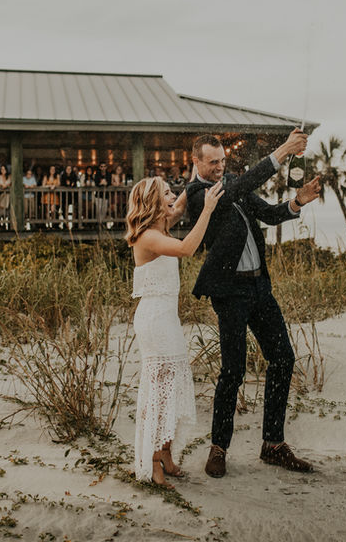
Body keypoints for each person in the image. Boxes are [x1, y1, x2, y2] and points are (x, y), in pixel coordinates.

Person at [185, 129, 322, 478]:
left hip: (260, 287)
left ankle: (273, 445)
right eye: (213, 162)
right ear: (196, 161)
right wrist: (282, 152)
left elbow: (272, 214)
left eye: (223, 161)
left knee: (283, 358)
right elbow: (235, 190)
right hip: (229, 294)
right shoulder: (197, 195)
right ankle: (219, 447)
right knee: (233, 370)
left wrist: (298, 201)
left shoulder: (233, 182)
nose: (219, 167)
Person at [126, 175, 224, 487]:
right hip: (154, 320)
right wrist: (207, 210)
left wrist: (197, 180)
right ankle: (153, 463)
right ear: (154, 203)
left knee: (171, 390)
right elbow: (186, 248)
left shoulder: (160, 227)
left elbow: (179, 207)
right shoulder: (147, 237)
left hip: (166, 318)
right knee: (159, 391)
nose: (173, 197)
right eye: (166, 193)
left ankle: (166, 453)